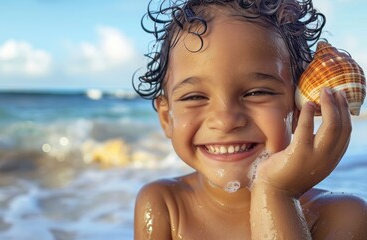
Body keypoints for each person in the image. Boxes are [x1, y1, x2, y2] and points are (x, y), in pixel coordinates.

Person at [132, 0, 367, 239]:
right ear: (166, 117)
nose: (226, 121)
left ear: (297, 110)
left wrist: (277, 194)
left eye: (256, 93)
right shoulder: (163, 205)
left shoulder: (343, 216)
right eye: (195, 96)